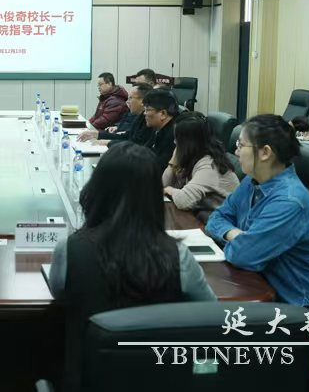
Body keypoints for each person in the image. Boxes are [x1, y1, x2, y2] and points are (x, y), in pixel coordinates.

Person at [49, 142, 215, 392]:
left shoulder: (70, 249)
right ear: (153, 197)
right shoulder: (178, 256)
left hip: (90, 381)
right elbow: (211, 315)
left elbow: (60, 292)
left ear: (96, 190)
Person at [206, 114, 309, 310]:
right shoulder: (252, 181)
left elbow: (242, 255)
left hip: (307, 310)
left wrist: (242, 242)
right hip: (267, 288)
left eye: (241, 145)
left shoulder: (290, 201)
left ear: (265, 152)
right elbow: (216, 218)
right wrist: (236, 234)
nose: (236, 152)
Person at [162, 112, 239, 221]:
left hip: (226, 222)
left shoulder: (209, 165)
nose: (175, 142)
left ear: (187, 142)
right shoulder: (195, 156)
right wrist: (173, 163)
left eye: (177, 139)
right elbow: (164, 183)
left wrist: (170, 190)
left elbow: (184, 201)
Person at [77, 83, 153, 146]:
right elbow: (126, 136)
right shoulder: (139, 117)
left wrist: (107, 142)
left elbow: (136, 144)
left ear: (143, 101)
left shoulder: (149, 120)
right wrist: (97, 134)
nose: (127, 102)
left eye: (130, 98)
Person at [142, 88, 182, 171]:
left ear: (163, 114)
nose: (144, 113)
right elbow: (145, 151)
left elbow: (160, 166)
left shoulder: (175, 134)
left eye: (147, 109)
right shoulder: (158, 127)